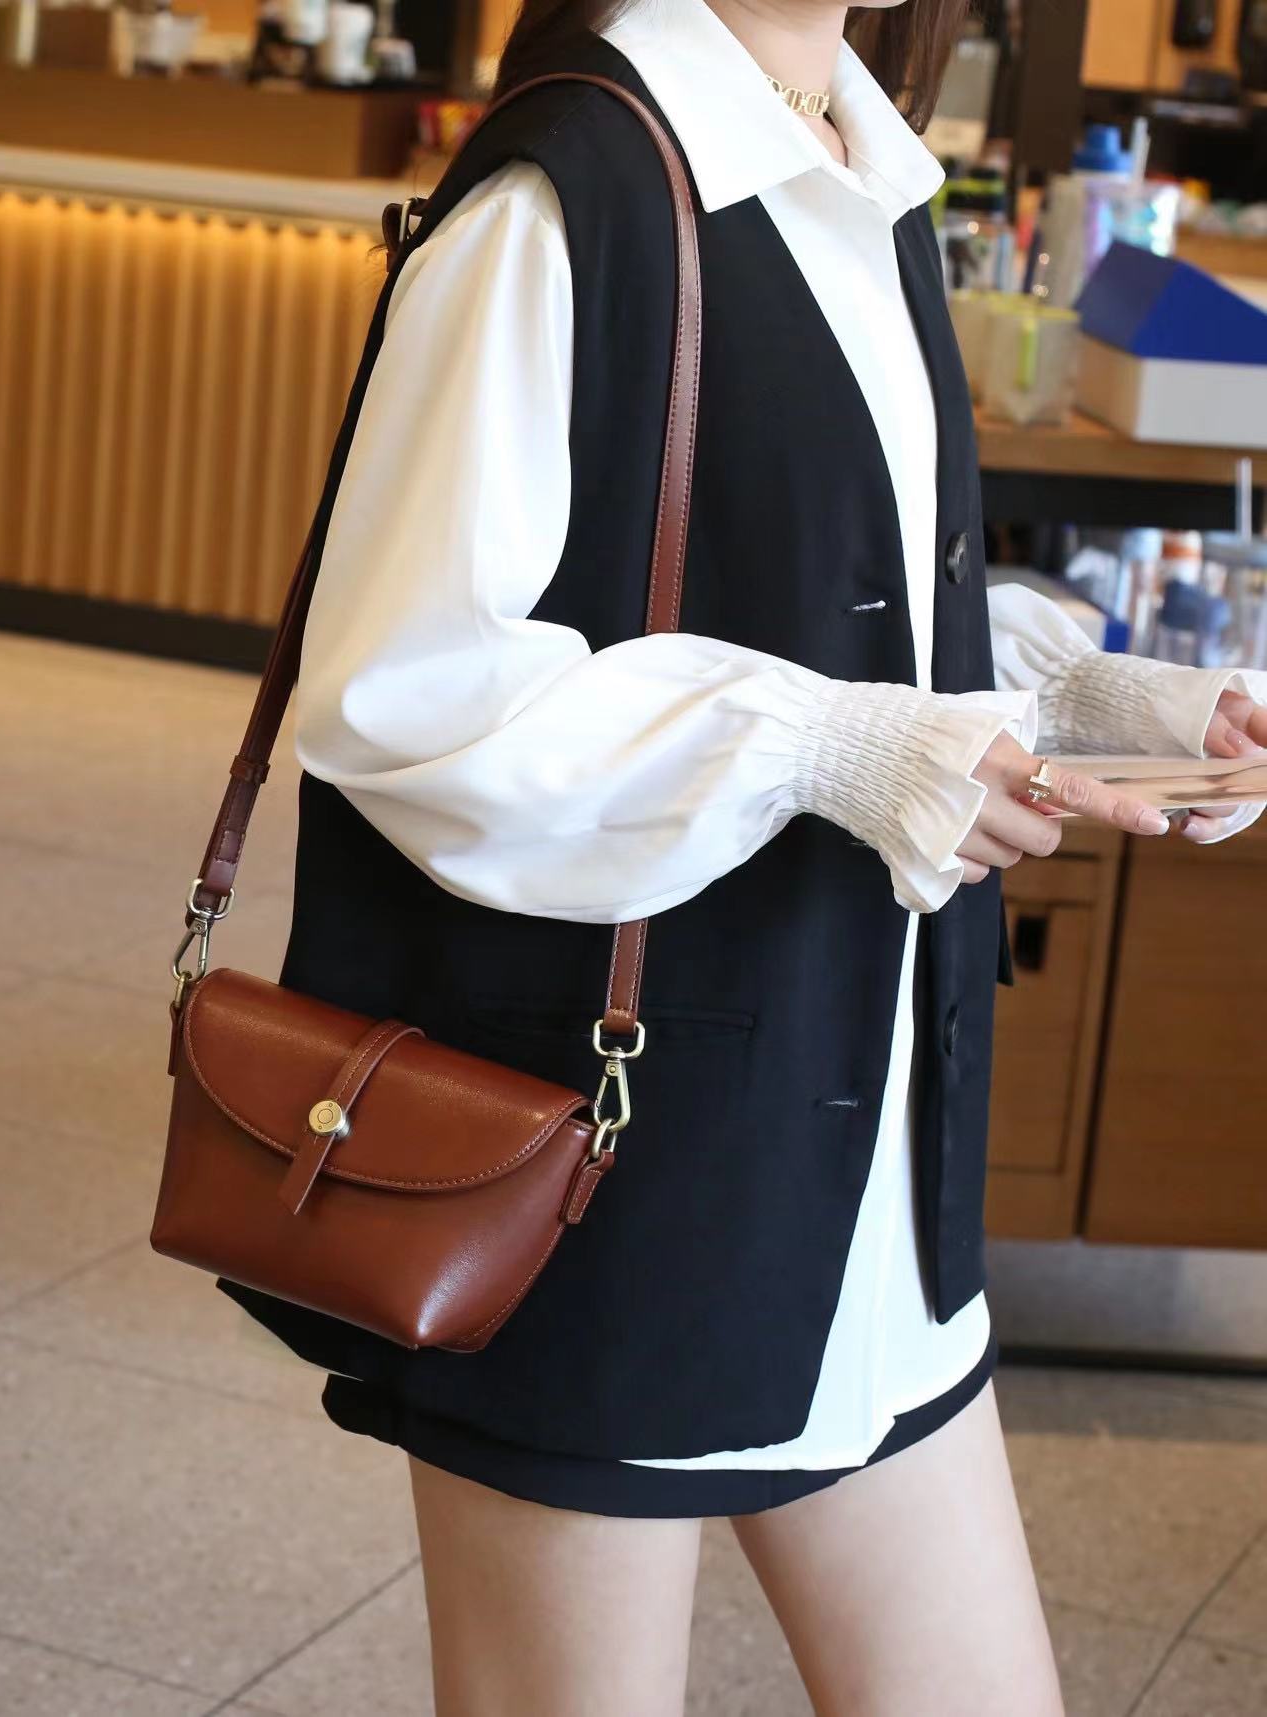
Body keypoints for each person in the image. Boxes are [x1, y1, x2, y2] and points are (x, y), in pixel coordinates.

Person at [218, 1, 1267, 1710]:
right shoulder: (566, 192)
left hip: (869, 1173)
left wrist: (1087, 696)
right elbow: (404, 691)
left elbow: (831, 587)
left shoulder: (866, 169)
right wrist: (823, 746)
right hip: (616, 1167)